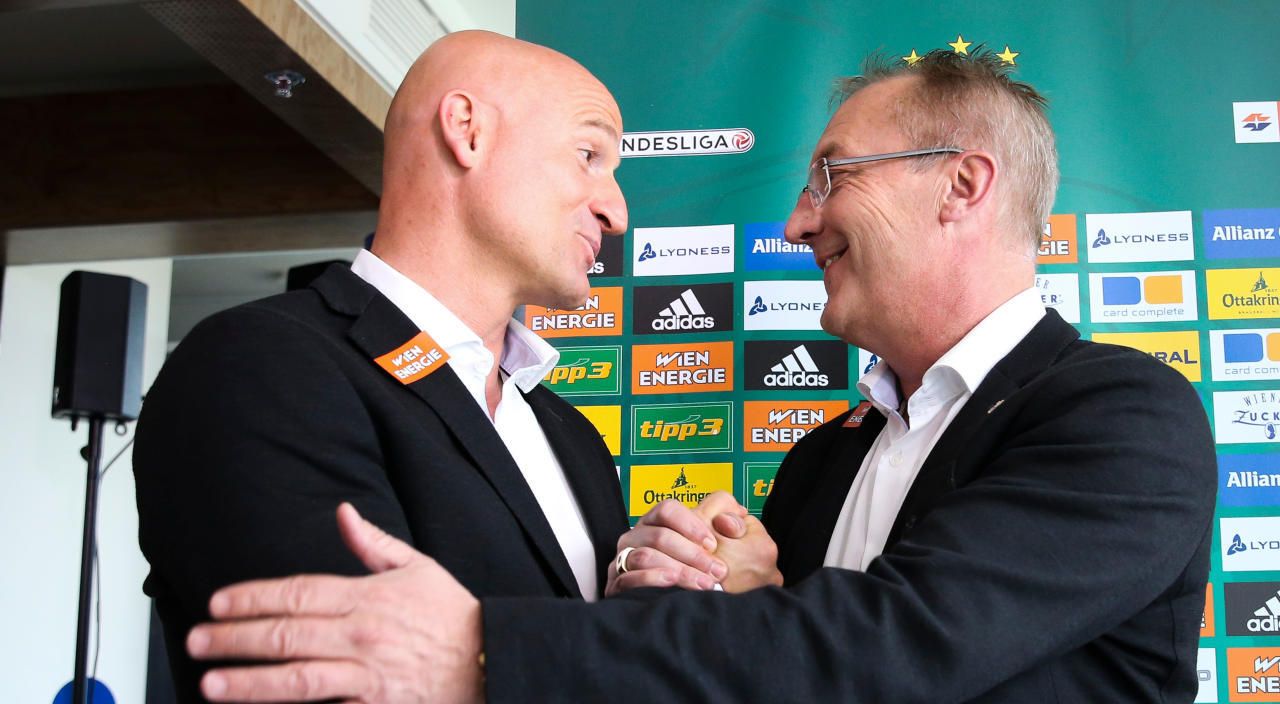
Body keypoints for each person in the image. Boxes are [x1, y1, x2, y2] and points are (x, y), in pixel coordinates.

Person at [182, 49, 1216, 703]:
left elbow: (900, 642)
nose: (798, 222)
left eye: (830, 176)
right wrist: (743, 595)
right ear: (466, 133)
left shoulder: (1121, 414)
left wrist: (488, 648)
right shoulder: (819, 462)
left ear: (962, 185)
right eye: (591, 157)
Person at [130, 30, 692, 701]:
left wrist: (648, 596)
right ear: (467, 131)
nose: (617, 211)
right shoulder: (257, 367)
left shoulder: (571, 435)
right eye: (588, 155)